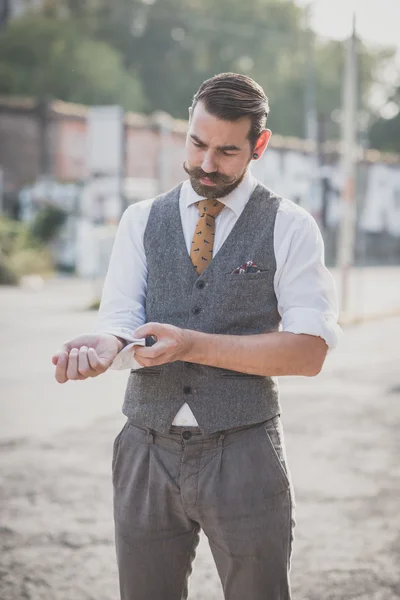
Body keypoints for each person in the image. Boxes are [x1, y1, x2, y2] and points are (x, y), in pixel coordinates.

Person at [52, 73, 341, 600]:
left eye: (227, 151)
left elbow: (309, 352)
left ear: (260, 144)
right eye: (197, 143)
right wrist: (105, 348)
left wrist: (193, 343)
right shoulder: (140, 220)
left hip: (245, 450)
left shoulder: (290, 227)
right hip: (145, 449)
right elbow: (119, 321)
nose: (207, 164)